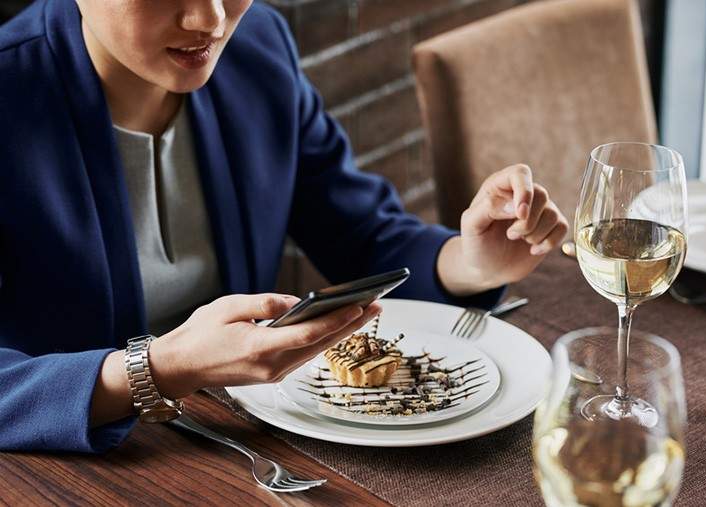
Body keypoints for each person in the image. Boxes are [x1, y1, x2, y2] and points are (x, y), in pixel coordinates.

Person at [0, 0, 568, 453]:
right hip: (69, 468)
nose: (211, 19)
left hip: (238, 444)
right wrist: (160, 369)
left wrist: (473, 262)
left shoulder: (257, 49)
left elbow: (364, 235)